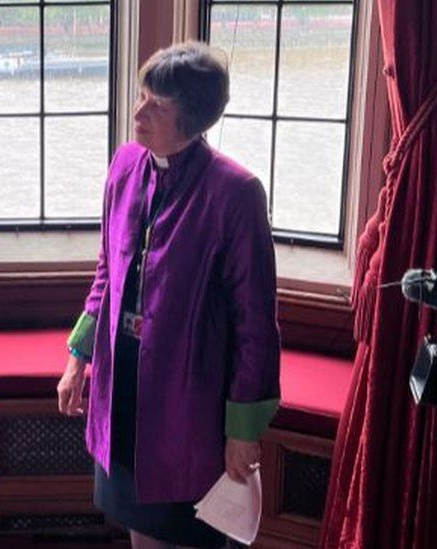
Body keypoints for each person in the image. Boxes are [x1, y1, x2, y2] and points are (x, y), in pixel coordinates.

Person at [56, 42, 281, 549]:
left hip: (189, 402)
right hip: (124, 385)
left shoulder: (236, 193)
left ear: (194, 116)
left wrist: (243, 429)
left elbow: (255, 324)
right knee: (141, 528)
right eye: (141, 96)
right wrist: (78, 358)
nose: (138, 112)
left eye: (156, 104)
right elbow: (106, 274)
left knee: (187, 533)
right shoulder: (125, 165)